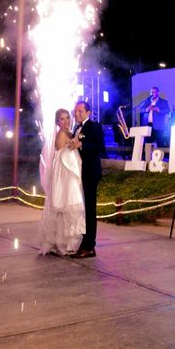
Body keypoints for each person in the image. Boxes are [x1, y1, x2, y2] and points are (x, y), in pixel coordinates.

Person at [38, 108, 86, 256]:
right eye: (62, 119)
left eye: (67, 118)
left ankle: (68, 242)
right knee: (67, 207)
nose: (66, 121)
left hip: (70, 176)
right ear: (57, 122)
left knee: (69, 208)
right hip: (65, 178)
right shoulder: (61, 136)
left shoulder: (67, 134)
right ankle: (65, 243)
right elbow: (62, 160)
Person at [71, 100, 105, 259]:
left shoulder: (94, 126)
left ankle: (89, 246)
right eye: (75, 111)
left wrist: (82, 145)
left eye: (80, 111)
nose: (77, 114)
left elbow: (100, 148)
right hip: (79, 174)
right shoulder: (76, 128)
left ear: (88, 112)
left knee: (90, 210)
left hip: (90, 173)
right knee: (83, 209)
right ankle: (83, 242)